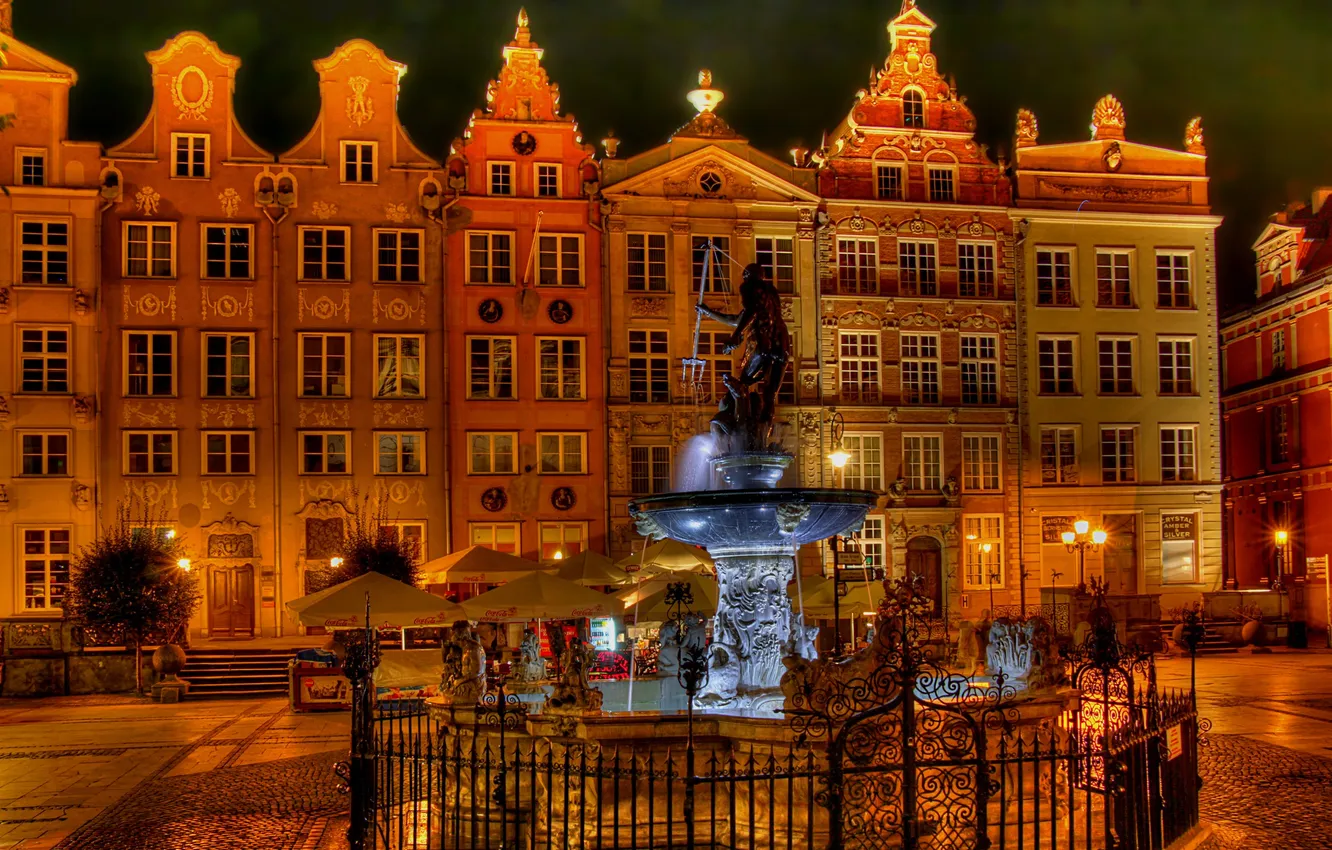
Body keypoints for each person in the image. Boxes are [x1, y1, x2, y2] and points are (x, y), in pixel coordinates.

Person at [696, 262, 791, 448]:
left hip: (763, 340)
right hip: (782, 342)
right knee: (770, 394)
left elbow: (750, 313)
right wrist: (709, 313)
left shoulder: (749, 286)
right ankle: (762, 436)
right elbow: (739, 319)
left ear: (747, 276)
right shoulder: (771, 292)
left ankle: (740, 424)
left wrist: (735, 336)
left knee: (743, 382)